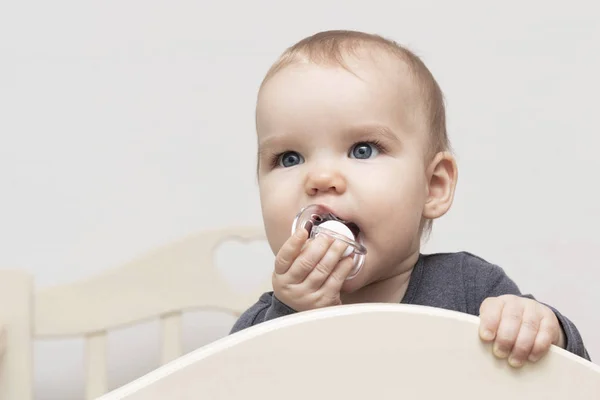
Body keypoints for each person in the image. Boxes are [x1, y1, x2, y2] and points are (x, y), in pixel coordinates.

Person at [230, 29, 590, 366]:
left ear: (433, 186)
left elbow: (571, 379)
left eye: (362, 150)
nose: (320, 178)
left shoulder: (471, 291)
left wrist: (542, 331)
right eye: (289, 158)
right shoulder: (260, 329)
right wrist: (292, 318)